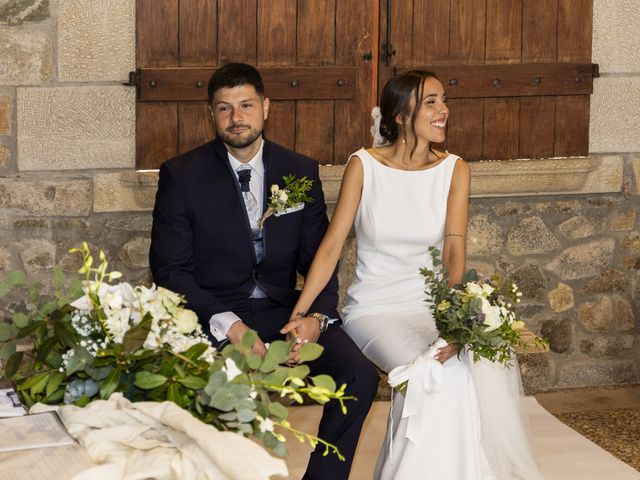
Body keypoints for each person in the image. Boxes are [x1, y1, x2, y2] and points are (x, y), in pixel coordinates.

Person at [289, 71, 544, 479]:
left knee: (458, 374)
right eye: (431, 102)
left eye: (444, 100)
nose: (443, 110)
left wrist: (456, 322)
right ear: (401, 114)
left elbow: (454, 247)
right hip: (375, 310)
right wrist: (300, 312)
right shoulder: (364, 165)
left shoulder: (455, 169)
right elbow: (332, 245)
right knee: (428, 376)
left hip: (430, 307)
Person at [149, 62, 379, 480]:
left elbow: (320, 260)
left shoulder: (299, 171)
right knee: (195, 388)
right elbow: (170, 270)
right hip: (213, 314)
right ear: (212, 114)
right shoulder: (182, 175)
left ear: (266, 107)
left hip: (283, 312)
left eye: (246, 105)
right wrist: (230, 327)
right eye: (224, 108)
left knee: (359, 375)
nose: (236, 118)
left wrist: (315, 318)